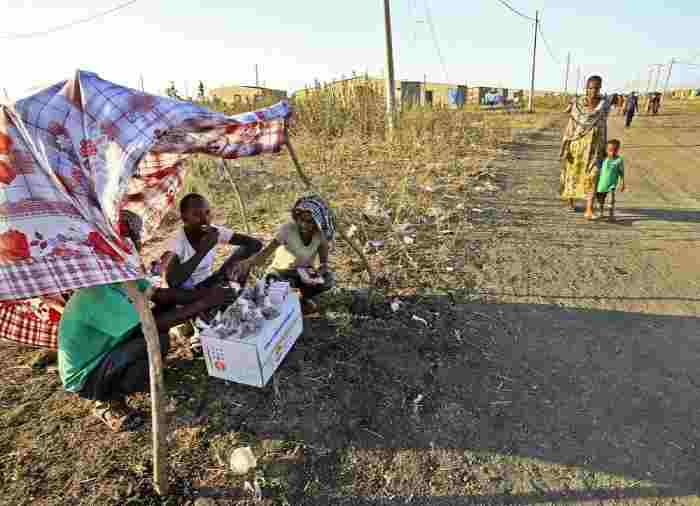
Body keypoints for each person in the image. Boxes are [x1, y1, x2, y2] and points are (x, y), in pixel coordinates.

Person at [58, 214, 238, 432]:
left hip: (111, 347)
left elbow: (162, 296)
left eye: (134, 239)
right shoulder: (95, 291)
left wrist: (206, 294)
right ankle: (107, 400)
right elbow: (150, 326)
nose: (134, 245)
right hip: (88, 374)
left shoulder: (122, 273)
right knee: (152, 344)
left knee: (161, 332)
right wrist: (206, 302)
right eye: (128, 239)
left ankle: (127, 376)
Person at [161, 193, 262, 354]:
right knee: (210, 311)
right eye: (196, 215)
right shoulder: (177, 242)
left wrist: (242, 264)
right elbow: (174, 281)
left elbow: (254, 244)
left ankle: (228, 301)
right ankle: (199, 324)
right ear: (184, 218)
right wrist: (203, 250)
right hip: (186, 295)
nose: (204, 220)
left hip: (209, 283)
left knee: (241, 260)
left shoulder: (214, 232)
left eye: (207, 213)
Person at [235, 194, 336, 315]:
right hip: (280, 272)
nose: (304, 225)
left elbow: (324, 264)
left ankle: (303, 299)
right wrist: (248, 262)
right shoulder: (287, 229)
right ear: (296, 218)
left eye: (309, 221)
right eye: (301, 220)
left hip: (304, 274)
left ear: (317, 222)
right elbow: (266, 253)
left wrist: (318, 272)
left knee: (328, 279)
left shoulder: (320, 235)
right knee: (277, 289)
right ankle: (288, 304)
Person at [559, 75, 611, 219]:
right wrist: (565, 146)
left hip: (595, 147)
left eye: (596, 88)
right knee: (572, 174)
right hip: (577, 144)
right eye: (591, 88)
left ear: (600, 88)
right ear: (586, 88)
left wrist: (604, 146)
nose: (593, 91)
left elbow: (603, 126)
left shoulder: (604, 105)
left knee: (593, 175)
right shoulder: (577, 104)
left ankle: (589, 210)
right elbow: (571, 126)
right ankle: (570, 201)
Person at [595, 139, 625, 220]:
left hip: (612, 183)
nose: (612, 152)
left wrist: (622, 183)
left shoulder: (619, 160)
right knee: (600, 199)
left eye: (615, 150)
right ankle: (601, 212)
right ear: (606, 150)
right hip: (601, 183)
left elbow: (621, 172)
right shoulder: (603, 159)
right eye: (610, 150)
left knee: (611, 198)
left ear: (618, 150)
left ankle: (611, 214)